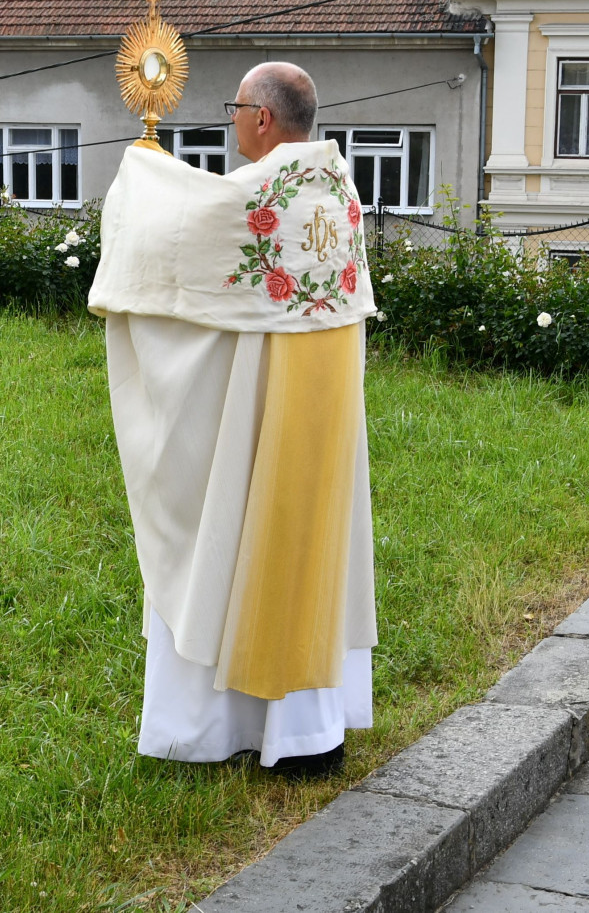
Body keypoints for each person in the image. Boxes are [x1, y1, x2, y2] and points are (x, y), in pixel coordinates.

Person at [89, 62, 377, 778]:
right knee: (312, 543)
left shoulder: (261, 195)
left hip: (267, 408)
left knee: (236, 529)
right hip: (328, 407)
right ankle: (310, 731)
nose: (232, 121)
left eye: (236, 108)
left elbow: (177, 230)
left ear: (263, 119)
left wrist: (142, 164)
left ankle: (224, 727)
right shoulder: (338, 189)